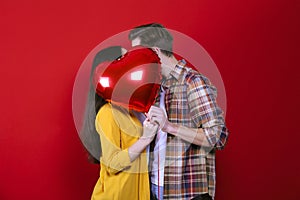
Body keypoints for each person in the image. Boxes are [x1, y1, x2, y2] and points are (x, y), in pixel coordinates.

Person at [129, 23, 229, 200]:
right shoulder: (155, 86)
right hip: (155, 190)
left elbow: (218, 136)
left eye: (138, 54)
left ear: (156, 52)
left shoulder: (193, 82)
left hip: (186, 194)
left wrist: (169, 126)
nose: (135, 60)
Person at [84, 46, 161, 199]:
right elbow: (112, 163)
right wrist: (145, 139)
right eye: (125, 59)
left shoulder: (129, 111)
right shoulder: (107, 113)